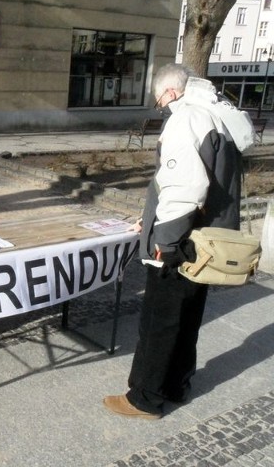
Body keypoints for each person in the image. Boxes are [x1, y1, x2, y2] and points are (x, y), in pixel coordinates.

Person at [103, 63, 247, 419]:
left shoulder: (187, 119)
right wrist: (150, 217)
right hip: (208, 241)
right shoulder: (216, 115)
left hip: (180, 241)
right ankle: (177, 386)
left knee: (160, 320)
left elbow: (184, 187)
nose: (162, 108)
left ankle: (145, 399)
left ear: (169, 92)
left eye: (159, 102)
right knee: (186, 318)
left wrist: (164, 238)